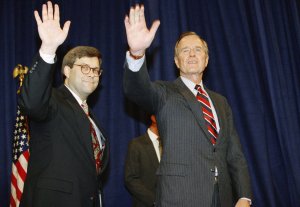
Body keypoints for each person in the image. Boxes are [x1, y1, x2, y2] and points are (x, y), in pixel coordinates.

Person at [123, 4, 252, 207]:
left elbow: (234, 154)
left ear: (206, 60)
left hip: (223, 198)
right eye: (185, 50)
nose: (192, 54)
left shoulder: (220, 101)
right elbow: (136, 89)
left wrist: (244, 196)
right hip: (181, 197)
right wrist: (137, 53)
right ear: (176, 61)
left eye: (197, 50)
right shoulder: (164, 93)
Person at [18, 2, 108, 207]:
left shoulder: (91, 118)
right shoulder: (52, 100)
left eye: (96, 70)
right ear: (67, 71)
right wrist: (48, 49)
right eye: (85, 67)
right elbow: (31, 103)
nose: (92, 74)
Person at [125, 115, 161, 207]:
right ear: (153, 118)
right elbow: (130, 179)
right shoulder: (136, 144)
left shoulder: (168, 145)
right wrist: (154, 200)